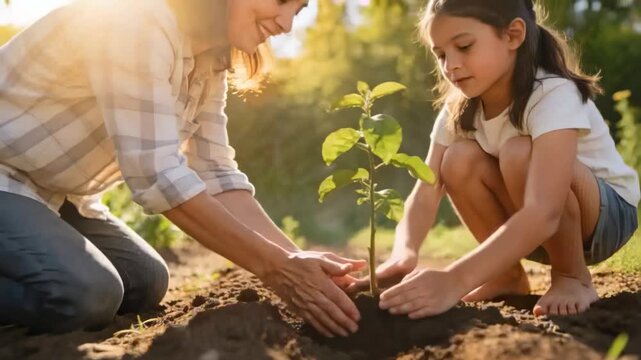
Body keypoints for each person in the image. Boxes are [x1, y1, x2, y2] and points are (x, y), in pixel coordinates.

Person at [0, 0, 364, 337]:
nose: (285, 24)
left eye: (297, 11)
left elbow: (215, 171)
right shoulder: (136, 22)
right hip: (6, 173)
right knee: (84, 294)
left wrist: (297, 262)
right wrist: (276, 268)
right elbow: (158, 175)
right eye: (281, 0)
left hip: (54, 192)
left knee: (145, 280)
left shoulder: (207, 60)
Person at [363, 0, 639, 318]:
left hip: (606, 219)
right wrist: (404, 253)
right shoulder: (458, 108)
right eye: (440, 54)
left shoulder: (551, 92)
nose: (450, 65)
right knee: (457, 159)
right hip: (534, 225)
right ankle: (506, 275)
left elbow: (545, 211)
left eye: (464, 46)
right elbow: (425, 190)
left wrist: (455, 279)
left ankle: (571, 275)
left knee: (518, 152)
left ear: (512, 36)